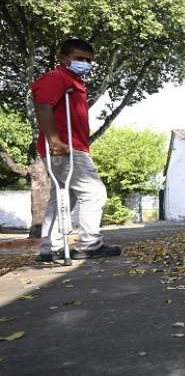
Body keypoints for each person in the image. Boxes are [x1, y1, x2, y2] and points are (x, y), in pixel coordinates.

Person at [33, 38, 121, 261]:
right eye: (79, 58)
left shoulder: (74, 81)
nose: (85, 63)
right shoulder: (57, 77)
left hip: (71, 147)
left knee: (64, 197)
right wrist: (55, 141)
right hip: (64, 148)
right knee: (94, 192)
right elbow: (42, 106)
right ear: (62, 59)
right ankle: (90, 244)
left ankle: (50, 248)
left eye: (88, 60)